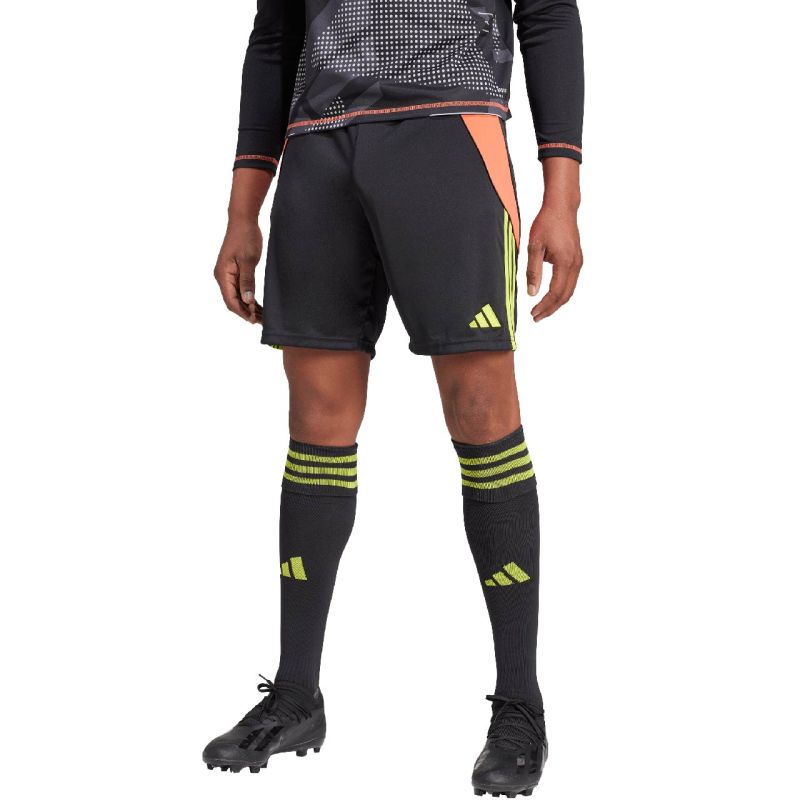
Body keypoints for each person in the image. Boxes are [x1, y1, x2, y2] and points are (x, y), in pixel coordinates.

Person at [203, 1, 584, 795]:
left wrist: (564, 194)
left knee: (481, 408)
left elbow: (548, 14)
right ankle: (297, 695)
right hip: (317, 146)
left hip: (451, 134)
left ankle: (520, 704)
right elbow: (274, 38)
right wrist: (242, 209)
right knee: (316, 416)